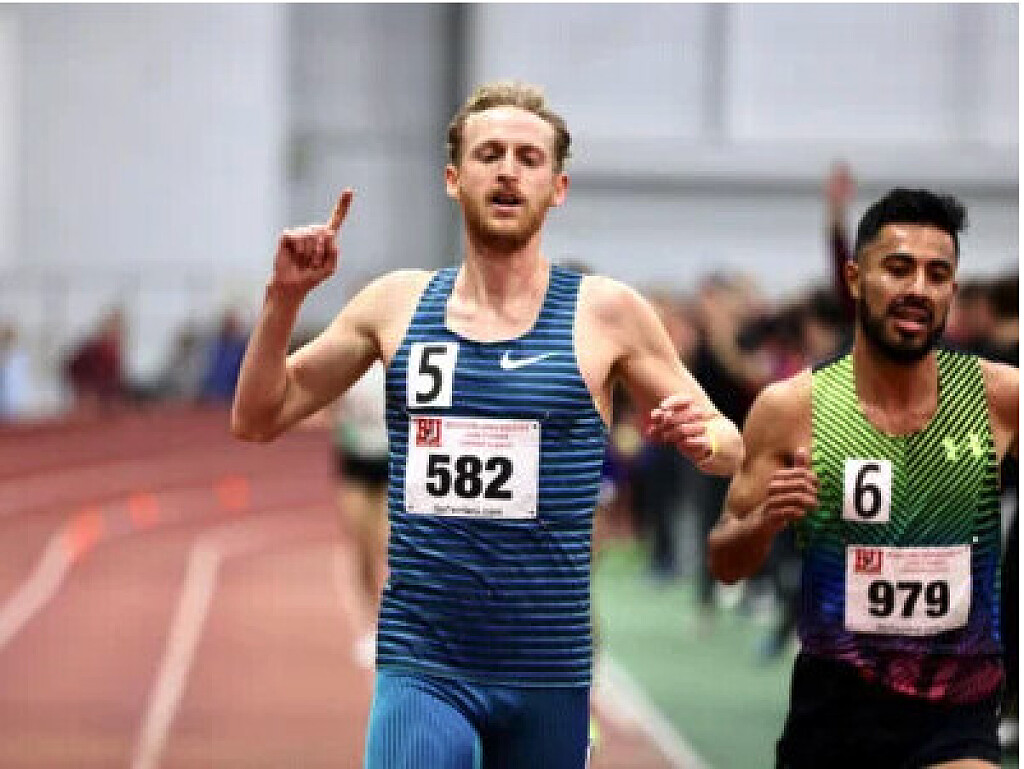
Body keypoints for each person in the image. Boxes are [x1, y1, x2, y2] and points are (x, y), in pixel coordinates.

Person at [231, 80, 743, 768]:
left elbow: (731, 443)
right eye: (489, 154)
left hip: (549, 670)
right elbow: (258, 416)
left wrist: (705, 439)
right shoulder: (396, 304)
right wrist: (283, 299)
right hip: (423, 662)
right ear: (454, 179)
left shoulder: (606, 313)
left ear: (557, 188)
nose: (508, 171)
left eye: (529, 158)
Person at [709, 188, 1019, 768]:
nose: (918, 289)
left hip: (956, 716)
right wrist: (766, 519)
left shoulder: (1000, 399)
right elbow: (724, 562)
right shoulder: (792, 409)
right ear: (854, 278)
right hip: (834, 719)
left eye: (936, 274)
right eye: (898, 269)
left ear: (952, 291)